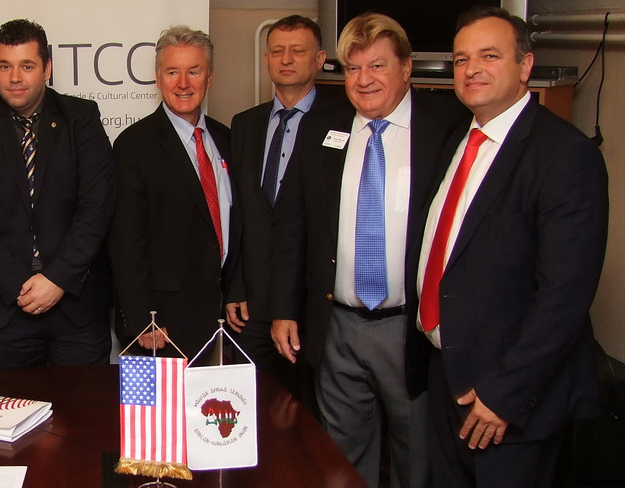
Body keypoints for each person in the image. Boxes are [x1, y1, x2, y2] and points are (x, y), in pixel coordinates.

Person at [269, 13, 467, 488]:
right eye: (353, 68)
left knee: (417, 459)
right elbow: (293, 225)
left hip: (412, 331)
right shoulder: (323, 127)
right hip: (337, 328)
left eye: (377, 66)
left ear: (406, 67)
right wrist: (284, 308)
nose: (364, 80)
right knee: (340, 459)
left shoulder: (447, 127)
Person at [416, 7, 605, 487]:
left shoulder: (565, 154)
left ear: (525, 66)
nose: (471, 69)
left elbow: (565, 295)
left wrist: (505, 393)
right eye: (461, 59)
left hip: (507, 400)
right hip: (445, 375)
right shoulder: (458, 138)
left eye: (489, 56)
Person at [0, 19, 115, 372]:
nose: (15, 78)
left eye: (27, 66)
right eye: (4, 66)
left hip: (76, 307)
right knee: (13, 407)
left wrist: (57, 279)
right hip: (6, 310)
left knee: (84, 406)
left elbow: (96, 206)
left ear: (47, 68)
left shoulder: (81, 118)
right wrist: (20, 285)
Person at [109, 26, 237, 358]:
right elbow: (125, 244)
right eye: (172, 72)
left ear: (209, 77)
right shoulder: (134, 146)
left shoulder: (226, 138)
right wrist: (144, 317)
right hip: (164, 323)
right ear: (158, 78)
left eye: (193, 71)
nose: (183, 83)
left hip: (226, 315)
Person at [226, 15, 334, 390]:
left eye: (297, 51)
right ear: (267, 59)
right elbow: (238, 214)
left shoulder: (342, 123)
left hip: (312, 306)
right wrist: (235, 285)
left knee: (307, 411)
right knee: (251, 407)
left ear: (319, 59)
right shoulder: (244, 125)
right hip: (251, 307)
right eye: (277, 51)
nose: (286, 59)